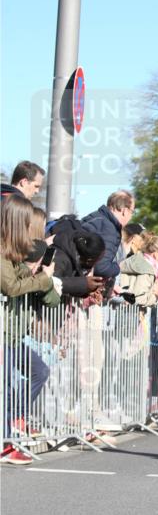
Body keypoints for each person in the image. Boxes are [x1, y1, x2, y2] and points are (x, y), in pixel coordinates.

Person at [1, 195, 60, 464]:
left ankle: (12, 423)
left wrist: (38, 273)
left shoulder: (10, 252)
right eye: (26, 223)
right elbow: (10, 287)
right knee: (5, 387)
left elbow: (17, 277)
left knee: (39, 371)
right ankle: (5, 439)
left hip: (12, 335)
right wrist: (41, 280)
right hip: (4, 334)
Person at [80, 190, 134, 279]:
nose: (131, 216)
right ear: (124, 211)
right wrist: (118, 267)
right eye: (132, 212)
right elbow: (101, 268)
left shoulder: (94, 217)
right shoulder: (108, 229)